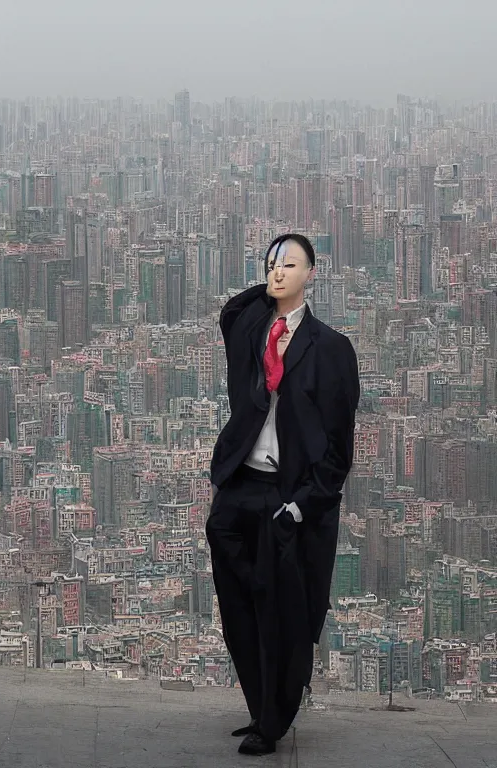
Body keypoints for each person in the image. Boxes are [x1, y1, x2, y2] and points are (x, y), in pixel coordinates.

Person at [207, 234, 360, 756]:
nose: (277, 273)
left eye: (290, 266)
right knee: (238, 603)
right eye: (272, 265)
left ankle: (273, 722)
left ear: (312, 273)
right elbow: (230, 311)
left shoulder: (331, 349)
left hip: (287, 493)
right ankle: (258, 707)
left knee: (281, 611)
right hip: (241, 482)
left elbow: (339, 448)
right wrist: (272, 286)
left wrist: (300, 506)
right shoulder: (254, 329)